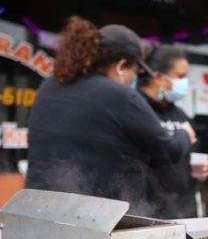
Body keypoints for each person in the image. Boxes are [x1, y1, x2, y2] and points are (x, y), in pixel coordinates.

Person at [26, 16, 196, 216]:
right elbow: (170, 150)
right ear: (121, 66)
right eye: (134, 72)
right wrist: (185, 135)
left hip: (37, 209)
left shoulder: (49, 85)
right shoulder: (121, 97)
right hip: (95, 218)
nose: (134, 80)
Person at [138, 44, 208, 219]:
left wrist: (198, 169)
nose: (184, 82)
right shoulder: (139, 108)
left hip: (185, 209)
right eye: (180, 76)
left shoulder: (179, 113)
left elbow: (193, 151)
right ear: (158, 76)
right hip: (151, 212)